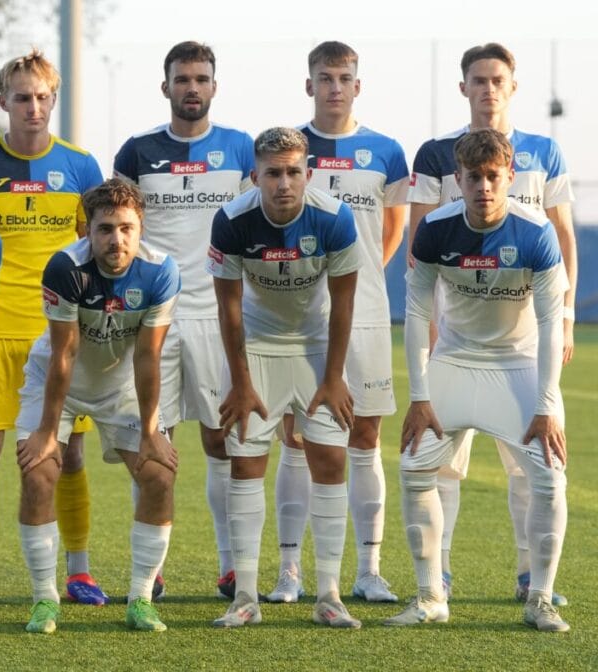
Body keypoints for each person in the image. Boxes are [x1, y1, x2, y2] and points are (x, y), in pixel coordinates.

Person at [407, 43, 576, 604]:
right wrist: (430, 345)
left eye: (497, 79)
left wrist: (568, 314)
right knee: (440, 465)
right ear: (464, 87)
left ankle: (533, 581)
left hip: (522, 339)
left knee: (532, 469)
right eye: (478, 80)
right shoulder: (435, 154)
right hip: (457, 336)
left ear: (512, 84)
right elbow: (420, 249)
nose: (488, 89)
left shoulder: (544, 152)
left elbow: (561, 234)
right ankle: (439, 578)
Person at [0, 49, 106, 608]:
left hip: (62, 333)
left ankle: (78, 569)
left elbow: (93, 249)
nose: (32, 107)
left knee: (68, 454)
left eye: (42, 97)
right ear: (3, 101)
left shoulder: (80, 166)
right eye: (21, 97)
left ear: (54, 100)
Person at [267, 41, 409, 604]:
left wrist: (362, 278)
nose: (333, 87)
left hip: (367, 313)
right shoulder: (289, 151)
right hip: (299, 320)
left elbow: (391, 231)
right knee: (296, 440)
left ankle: (369, 570)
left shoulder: (386, 151)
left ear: (357, 85)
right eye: (324, 77)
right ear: (309, 85)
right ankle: (289, 572)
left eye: (343, 77)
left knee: (366, 435)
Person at [113, 40, 254, 600]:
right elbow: (116, 230)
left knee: (224, 441)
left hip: (219, 315)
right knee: (153, 438)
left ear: (214, 87)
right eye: (182, 79)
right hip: (156, 318)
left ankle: (228, 566)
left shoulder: (241, 148)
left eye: (201, 78)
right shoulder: (137, 152)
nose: (191, 87)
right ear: (165, 86)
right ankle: (153, 570)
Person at [208, 127, 361, 629]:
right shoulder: (230, 220)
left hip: (316, 347)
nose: (283, 183)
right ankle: (246, 596)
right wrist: (242, 381)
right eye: (272, 173)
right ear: (255, 176)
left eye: (293, 172)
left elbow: (343, 305)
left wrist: (335, 377)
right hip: (256, 346)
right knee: (246, 464)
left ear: (309, 174)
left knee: (331, 461)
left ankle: (330, 595)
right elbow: (228, 311)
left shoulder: (336, 219)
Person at [16, 178, 180, 634]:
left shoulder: (161, 271)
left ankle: (141, 600)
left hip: (122, 383)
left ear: (141, 227)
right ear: (88, 229)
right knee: (40, 472)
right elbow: (64, 354)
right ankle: (45, 600)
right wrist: (48, 432)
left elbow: (148, 357)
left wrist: (150, 431)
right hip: (57, 380)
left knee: (158, 475)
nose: (117, 239)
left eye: (126, 228)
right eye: (105, 228)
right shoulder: (65, 268)